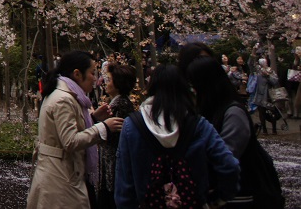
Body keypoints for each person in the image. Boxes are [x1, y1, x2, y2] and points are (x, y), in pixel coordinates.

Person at [114, 64, 239, 208]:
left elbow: (124, 182)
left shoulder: (132, 125)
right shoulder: (199, 125)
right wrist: (218, 198)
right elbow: (230, 166)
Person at [26, 50, 123, 209]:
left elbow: (61, 132)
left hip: (58, 173)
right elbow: (69, 141)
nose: (95, 78)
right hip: (60, 178)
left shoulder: (65, 95)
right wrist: (103, 127)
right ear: (77, 74)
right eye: (92, 73)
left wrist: (92, 119)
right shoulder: (64, 99)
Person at [186, 56, 256, 205]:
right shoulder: (210, 109)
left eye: (194, 85)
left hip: (237, 195)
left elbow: (226, 156)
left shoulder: (233, 113)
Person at [97, 64, 136, 209]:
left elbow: (110, 136)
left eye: (110, 80)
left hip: (112, 164)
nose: (107, 83)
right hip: (110, 163)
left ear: (118, 84)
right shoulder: (118, 104)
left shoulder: (119, 106)